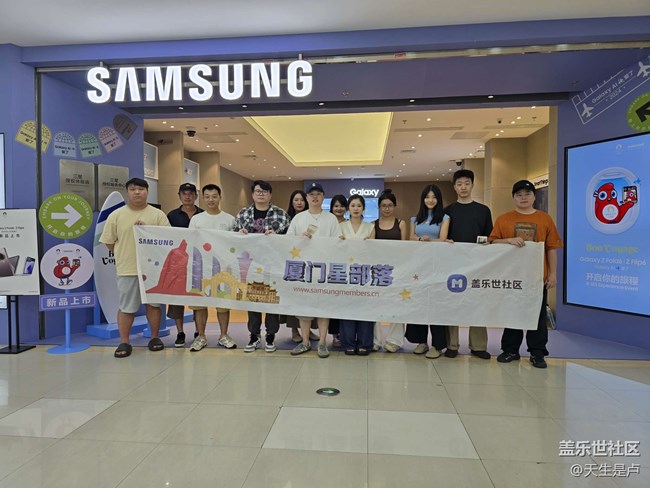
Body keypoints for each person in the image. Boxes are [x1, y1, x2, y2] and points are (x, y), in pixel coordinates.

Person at [490, 180, 562, 369]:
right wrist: (509, 240)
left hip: (537, 277)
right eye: (519, 195)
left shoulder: (545, 219)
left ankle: (537, 353)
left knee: (537, 316)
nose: (523, 198)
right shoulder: (503, 219)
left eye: (527, 194)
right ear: (513, 197)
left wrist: (552, 274)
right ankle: (510, 350)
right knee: (512, 313)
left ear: (534, 196)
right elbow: (492, 242)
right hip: (512, 276)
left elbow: (552, 248)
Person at [100, 177, 170, 358]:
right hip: (127, 269)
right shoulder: (116, 215)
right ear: (128, 192)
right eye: (133, 189)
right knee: (127, 307)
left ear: (147, 191)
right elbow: (109, 242)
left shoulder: (158, 215)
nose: (137, 192)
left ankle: (154, 337)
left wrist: (147, 231)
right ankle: (124, 341)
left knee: (153, 305)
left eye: (141, 189)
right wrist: (124, 253)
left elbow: (167, 240)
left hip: (153, 269)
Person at [233, 180, 290, 353]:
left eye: (264, 191)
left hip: (272, 265)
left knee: (271, 299)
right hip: (249, 265)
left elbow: (290, 240)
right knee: (252, 300)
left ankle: (271, 335)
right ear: (252, 194)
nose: (261, 194)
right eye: (258, 191)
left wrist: (278, 237)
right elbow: (232, 238)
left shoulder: (281, 214)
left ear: (270, 195)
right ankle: (254, 335)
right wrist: (239, 234)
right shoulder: (243, 214)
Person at [286, 182, 341, 358]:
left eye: (318, 194)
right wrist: (300, 238)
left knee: (323, 307)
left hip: (324, 271)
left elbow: (337, 243)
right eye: (311, 194)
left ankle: (322, 343)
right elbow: (287, 241)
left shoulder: (331, 219)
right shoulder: (299, 218)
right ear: (307, 197)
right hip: (304, 270)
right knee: (304, 308)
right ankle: (305, 342)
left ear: (323, 197)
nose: (315, 197)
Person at [444, 170, 493, 360]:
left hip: (477, 264)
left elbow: (489, 236)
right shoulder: (448, 211)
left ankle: (478, 345)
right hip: (453, 264)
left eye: (466, 183)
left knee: (478, 304)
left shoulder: (483, 210)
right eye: (459, 184)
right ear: (454, 187)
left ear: (472, 185)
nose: (463, 187)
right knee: (452, 304)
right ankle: (451, 345)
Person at [187, 184, 237, 352]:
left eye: (214, 196)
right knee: (200, 304)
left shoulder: (229, 219)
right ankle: (201, 336)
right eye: (207, 197)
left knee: (223, 303)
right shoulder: (196, 219)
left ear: (220, 197)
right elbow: (190, 242)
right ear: (203, 198)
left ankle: (224, 335)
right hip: (200, 268)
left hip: (223, 268)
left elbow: (235, 244)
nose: (211, 200)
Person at [405, 183, 450, 359]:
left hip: (437, 266)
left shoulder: (444, 218)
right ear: (422, 199)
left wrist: (427, 241)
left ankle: (437, 345)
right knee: (419, 304)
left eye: (434, 197)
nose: (430, 200)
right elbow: (410, 238)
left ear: (439, 200)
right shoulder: (414, 219)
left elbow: (443, 239)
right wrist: (419, 239)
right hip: (418, 267)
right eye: (427, 197)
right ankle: (421, 342)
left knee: (435, 304)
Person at [166, 183, 204, 347]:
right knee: (176, 298)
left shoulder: (203, 215)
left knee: (197, 297)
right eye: (184, 193)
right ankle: (180, 332)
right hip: (178, 264)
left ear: (195, 196)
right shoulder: (172, 215)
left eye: (190, 193)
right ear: (179, 195)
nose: (187, 196)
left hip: (197, 263)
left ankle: (198, 331)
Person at [370, 189, 407, 352]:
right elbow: (370, 248)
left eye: (390, 205)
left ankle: (394, 340)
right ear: (379, 207)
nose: (387, 208)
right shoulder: (373, 225)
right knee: (375, 304)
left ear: (394, 206)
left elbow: (405, 247)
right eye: (383, 205)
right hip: (378, 271)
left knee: (397, 304)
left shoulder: (401, 223)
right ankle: (375, 340)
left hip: (397, 270)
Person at [339, 195, 374, 355]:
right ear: (348, 208)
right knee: (347, 307)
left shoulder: (370, 227)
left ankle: (365, 343)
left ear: (363, 208)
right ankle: (347, 343)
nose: (355, 208)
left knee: (365, 308)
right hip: (345, 273)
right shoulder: (341, 226)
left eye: (359, 205)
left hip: (364, 273)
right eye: (352, 205)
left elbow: (374, 250)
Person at [284, 189, 318, 343]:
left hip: (311, 265)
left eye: (302, 200)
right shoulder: (287, 219)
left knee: (309, 299)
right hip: (293, 265)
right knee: (295, 298)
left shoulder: (312, 218)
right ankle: (294, 330)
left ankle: (307, 330)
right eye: (296, 200)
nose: (299, 203)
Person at [328, 194, 348, 347]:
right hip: (330, 267)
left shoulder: (349, 224)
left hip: (347, 267)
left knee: (345, 302)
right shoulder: (327, 223)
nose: (338, 208)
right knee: (333, 302)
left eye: (341, 205)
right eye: (336, 206)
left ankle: (346, 334)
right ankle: (335, 335)